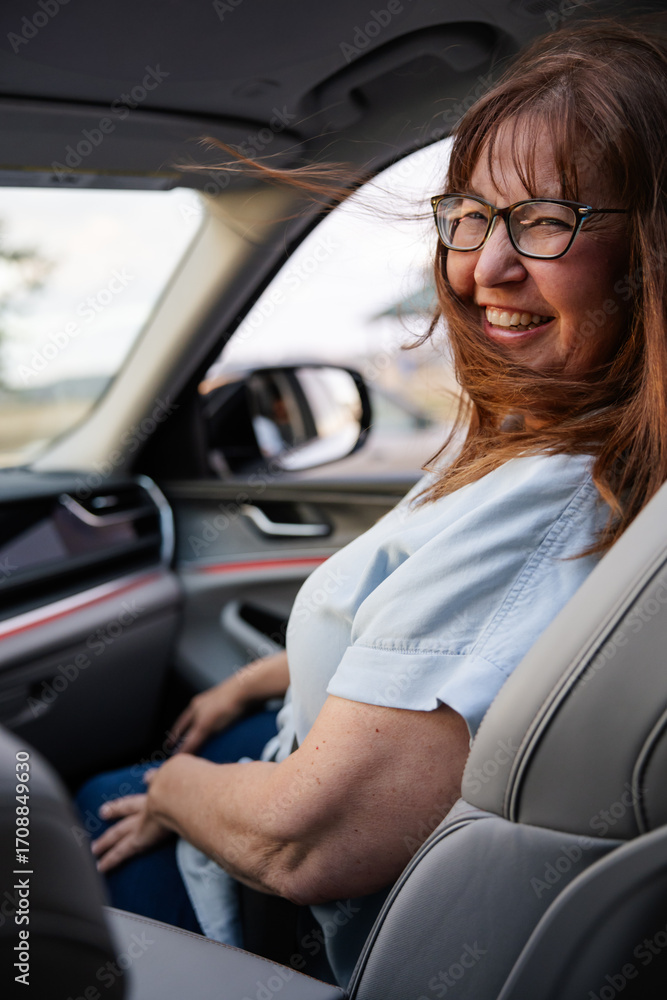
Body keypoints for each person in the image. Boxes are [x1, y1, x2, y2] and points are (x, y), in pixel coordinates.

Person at [75, 17, 667, 987]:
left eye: (545, 220)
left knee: (51, 820)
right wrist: (264, 680)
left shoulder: (559, 497)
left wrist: (175, 789)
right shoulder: (551, 444)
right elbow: (480, 659)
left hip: (281, 913)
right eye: (469, 216)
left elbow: (306, 844)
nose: (483, 269)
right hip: (288, 755)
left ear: (649, 252)